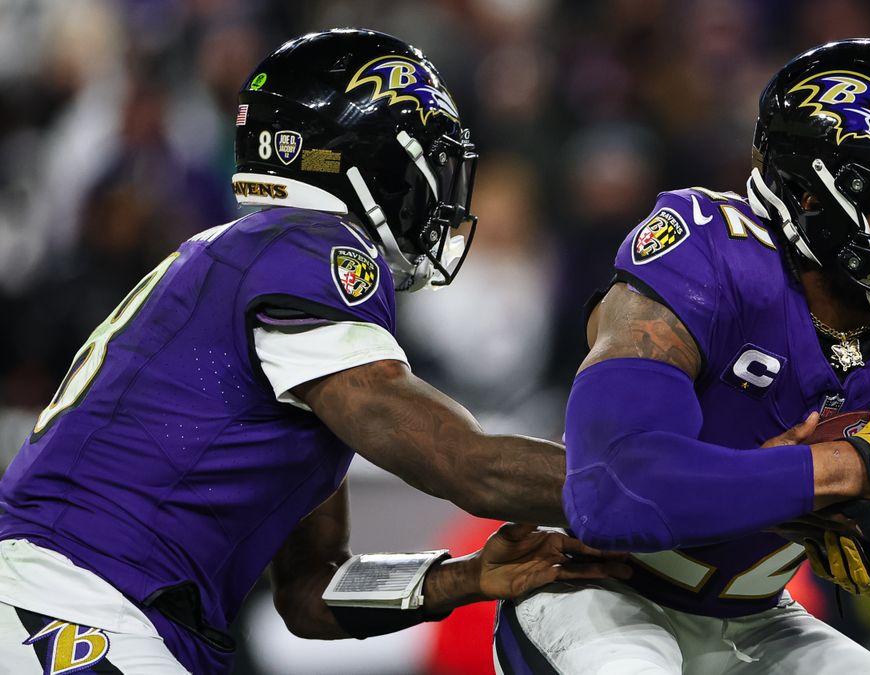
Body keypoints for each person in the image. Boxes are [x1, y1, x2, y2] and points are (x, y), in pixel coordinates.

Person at [0, 29, 631, 675]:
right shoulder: (312, 245)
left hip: (100, 604)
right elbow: (465, 463)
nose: (444, 195)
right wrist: (660, 483)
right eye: (431, 164)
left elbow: (309, 590)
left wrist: (467, 576)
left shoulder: (255, 261)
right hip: (76, 598)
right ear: (371, 160)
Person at [495, 38, 870, 673]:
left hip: (759, 613)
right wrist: (840, 471)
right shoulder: (707, 258)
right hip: (598, 589)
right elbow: (612, 492)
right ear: (812, 197)